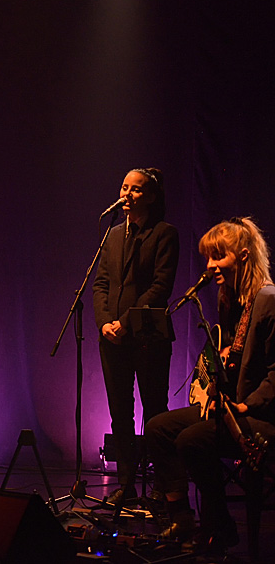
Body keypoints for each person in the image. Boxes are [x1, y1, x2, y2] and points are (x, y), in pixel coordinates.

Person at [146, 217, 275, 553]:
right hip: (232, 408)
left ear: (244, 256)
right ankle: (182, 517)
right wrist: (210, 382)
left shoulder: (269, 300)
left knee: (192, 440)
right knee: (158, 427)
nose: (210, 265)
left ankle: (219, 527)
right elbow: (231, 356)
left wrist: (249, 404)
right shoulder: (229, 300)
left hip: (262, 415)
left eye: (218, 256)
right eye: (208, 257)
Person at [92, 167, 179, 505]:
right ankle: (126, 483)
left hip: (146, 336)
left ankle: (164, 485)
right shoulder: (112, 235)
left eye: (136, 190)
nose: (126, 194)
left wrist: (125, 323)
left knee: (156, 411)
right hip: (111, 338)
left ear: (151, 197)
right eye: (124, 187)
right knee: (119, 411)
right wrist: (104, 323)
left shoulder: (164, 234)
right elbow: (100, 283)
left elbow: (160, 288)